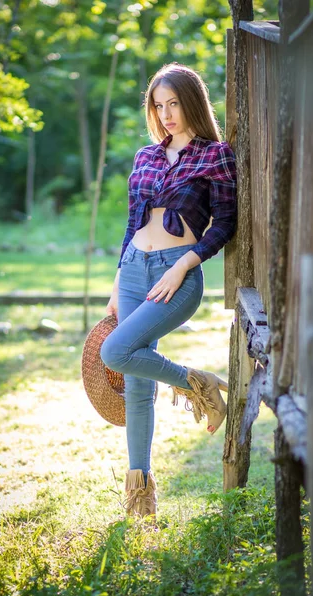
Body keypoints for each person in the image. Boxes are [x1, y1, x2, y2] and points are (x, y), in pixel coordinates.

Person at [100, 63, 237, 520]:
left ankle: (199, 385)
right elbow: (130, 225)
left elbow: (225, 224)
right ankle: (140, 498)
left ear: (192, 101)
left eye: (173, 103)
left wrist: (183, 265)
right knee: (137, 389)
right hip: (135, 270)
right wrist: (118, 281)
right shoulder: (146, 155)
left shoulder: (216, 155)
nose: (166, 114)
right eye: (158, 106)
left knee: (116, 351)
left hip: (175, 274)